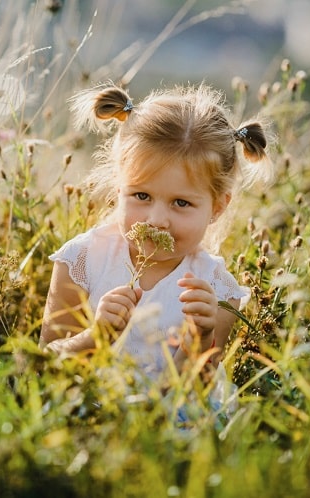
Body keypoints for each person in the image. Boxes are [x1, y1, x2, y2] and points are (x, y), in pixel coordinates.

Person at [39, 83, 271, 389]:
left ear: (217, 206)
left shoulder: (216, 290)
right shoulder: (82, 259)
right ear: (119, 188)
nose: (157, 220)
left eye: (181, 203)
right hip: (89, 413)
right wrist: (95, 337)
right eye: (142, 195)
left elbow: (196, 387)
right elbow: (43, 363)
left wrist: (200, 339)